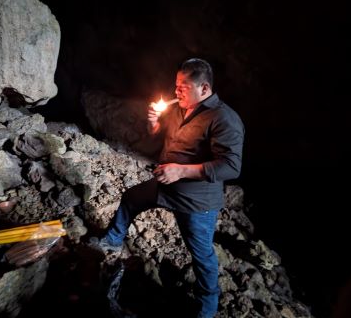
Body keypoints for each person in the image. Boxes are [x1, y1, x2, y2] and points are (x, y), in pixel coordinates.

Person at [90, 58, 245, 318]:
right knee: (130, 199)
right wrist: (154, 123)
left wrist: (182, 170)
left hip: (197, 202)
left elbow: (231, 166)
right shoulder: (181, 108)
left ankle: (207, 306)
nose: (176, 92)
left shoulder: (224, 119)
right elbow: (159, 138)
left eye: (183, 87)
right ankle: (111, 241)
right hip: (166, 186)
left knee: (202, 254)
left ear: (204, 89)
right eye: (176, 85)